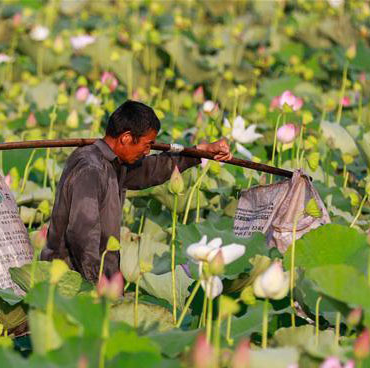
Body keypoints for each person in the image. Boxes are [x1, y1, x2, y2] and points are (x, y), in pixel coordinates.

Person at [42, 100, 231, 282]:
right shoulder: (91, 168)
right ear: (126, 137)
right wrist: (96, 284)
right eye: (147, 144)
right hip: (70, 281)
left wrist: (201, 152)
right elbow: (82, 234)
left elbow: (153, 169)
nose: (148, 151)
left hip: (96, 277)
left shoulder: (115, 164)